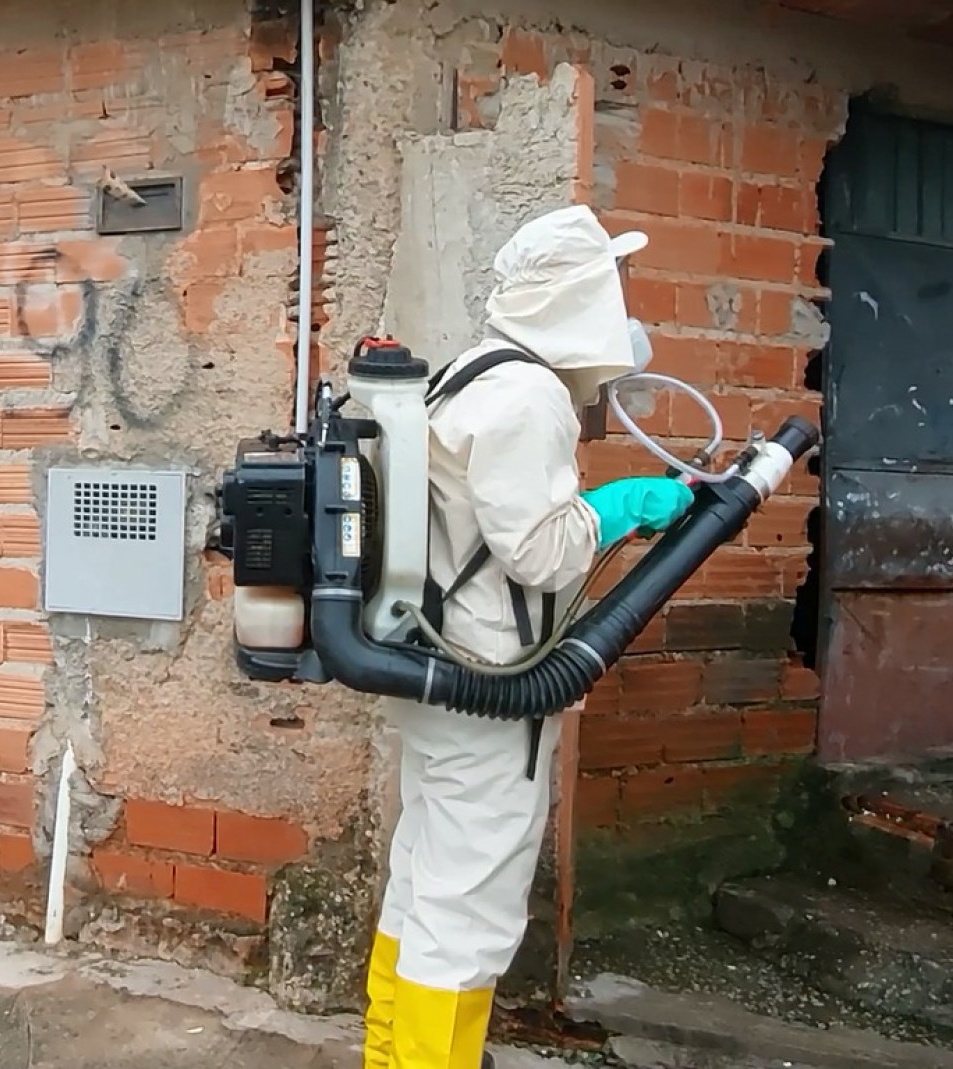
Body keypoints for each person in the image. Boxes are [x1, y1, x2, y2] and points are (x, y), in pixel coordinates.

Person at [362, 205, 696, 1069]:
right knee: (466, 912)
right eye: (612, 282)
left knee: (423, 880)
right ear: (578, 296)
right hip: (488, 682)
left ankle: (390, 1058)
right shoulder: (527, 395)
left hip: (438, 670)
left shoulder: (471, 373)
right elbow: (540, 552)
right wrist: (618, 506)